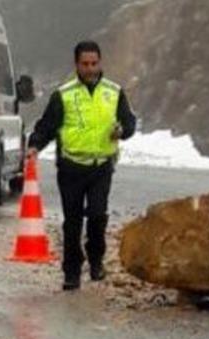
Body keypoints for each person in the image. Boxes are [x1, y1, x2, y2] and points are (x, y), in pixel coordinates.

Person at [27, 41, 137, 291]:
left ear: (100, 63)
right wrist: (35, 145)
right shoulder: (63, 95)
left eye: (94, 63)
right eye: (85, 64)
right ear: (76, 64)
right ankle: (72, 271)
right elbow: (47, 126)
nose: (90, 69)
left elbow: (129, 122)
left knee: (98, 215)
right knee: (72, 221)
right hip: (71, 167)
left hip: (101, 166)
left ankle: (96, 258)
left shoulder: (114, 92)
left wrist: (122, 131)